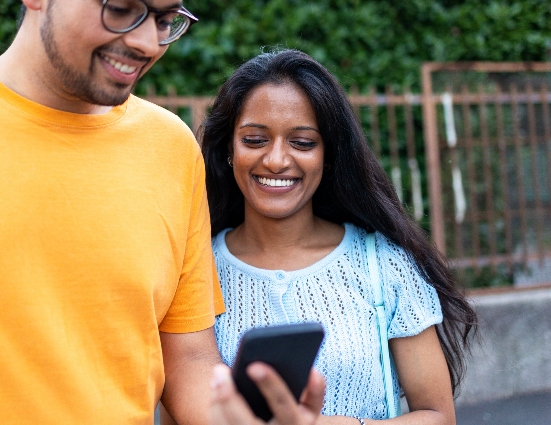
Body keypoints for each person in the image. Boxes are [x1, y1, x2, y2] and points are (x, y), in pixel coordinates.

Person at [0, 1, 324, 424]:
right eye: (120, 8)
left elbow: (187, 356)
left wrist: (241, 418)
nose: (147, 42)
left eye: (165, 19)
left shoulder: (170, 146)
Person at [200, 49, 478, 425]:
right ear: (228, 150)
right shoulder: (197, 271)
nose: (277, 160)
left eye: (302, 142)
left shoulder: (383, 264)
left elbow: (438, 416)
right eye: (254, 140)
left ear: (328, 155)